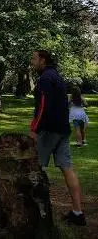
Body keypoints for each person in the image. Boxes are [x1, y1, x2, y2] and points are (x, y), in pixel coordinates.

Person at [30, 50, 86, 226]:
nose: (32, 62)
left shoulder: (45, 78)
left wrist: (35, 129)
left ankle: (36, 215)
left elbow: (43, 106)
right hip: (63, 129)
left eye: (34, 58)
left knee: (34, 168)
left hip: (49, 130)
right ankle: (78, 213)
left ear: (43, 60)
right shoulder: (56, 76)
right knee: (67, 168)